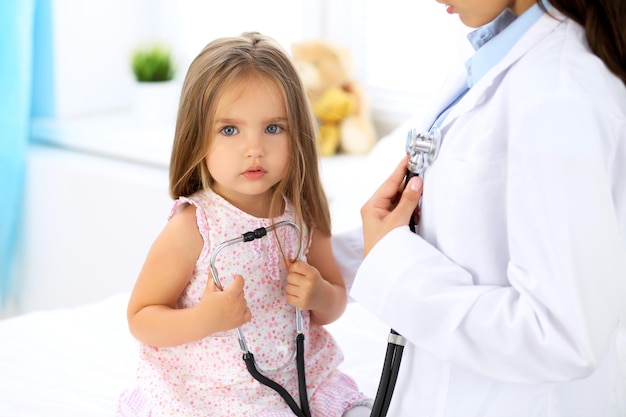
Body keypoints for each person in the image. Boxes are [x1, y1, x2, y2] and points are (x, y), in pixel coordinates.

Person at [333, 0, 626, 416]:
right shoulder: (502, 58)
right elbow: (472, 237)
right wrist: (335, 256)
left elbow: (561, 335)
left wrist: (391, 264)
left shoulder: (560, 93)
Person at [117, 32, 371, 417]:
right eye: (230, 130)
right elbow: (141, 317)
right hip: (215, 390)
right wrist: (204, 319)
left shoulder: (302, 215)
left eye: (273, 128)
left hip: (300, 377)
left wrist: (319, 295)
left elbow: (334, 301)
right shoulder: (194, 226)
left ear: (297, 133)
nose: (254, 148)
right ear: (196, 137)